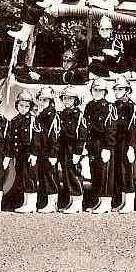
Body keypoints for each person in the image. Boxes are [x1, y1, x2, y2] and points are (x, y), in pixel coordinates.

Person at [83, 77, 118, 215]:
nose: (97, 92)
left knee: (105, 174)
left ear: (105, 92)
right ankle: (97, 202)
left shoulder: (110, 107)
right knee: (95, 173)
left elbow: (112, 128)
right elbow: (86, 126)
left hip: (104, 143)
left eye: (100, 90)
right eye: (95, 90)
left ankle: (106, 203)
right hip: (93, 144)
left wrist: (108, 147)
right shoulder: (89, 106)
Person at [3, 88, 41, 215]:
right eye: (21, 105)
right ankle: (25, 203)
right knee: (22, 178)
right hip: (19, 155)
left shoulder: (33, 119)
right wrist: (9, 155)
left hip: (29, 154)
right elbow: (11, 139)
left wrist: (34, 153)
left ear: (30, 107)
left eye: (26, 106)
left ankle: (31, 204)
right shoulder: (14, 120)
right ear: (17, 106)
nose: (23, 108)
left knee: (30, 178)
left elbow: (36, 138)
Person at [55, 86, 86, 215]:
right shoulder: (61, 114)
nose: (67, 101)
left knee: (74, 174)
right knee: (67, 174)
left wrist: (78, 152)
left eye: (70, 98)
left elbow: (82, 134)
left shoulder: (78, 115)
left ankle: (78, 202)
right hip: (63, 147)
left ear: (75, 100)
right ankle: (71, 201)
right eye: (65, 98)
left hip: (73, 148)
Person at [112, 75, 136, 214]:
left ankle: (129, 202)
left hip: (126, 141)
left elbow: (134, 127)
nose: (117, 91)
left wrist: (131, 146)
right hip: (116, 142)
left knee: (127, 172)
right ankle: (121, 201)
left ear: (127, 90)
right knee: (118, 172)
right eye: (116, 89)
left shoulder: (131, 106)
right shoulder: (115, 105)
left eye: (120, 89)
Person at [35, 86, 60, 214]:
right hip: (42, 151)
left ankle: (52, 203)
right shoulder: (42, 114)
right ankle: (45, 202)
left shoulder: (52, 115)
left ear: (51, 101)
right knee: (44, 176)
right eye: (41, 99)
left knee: (50, 176)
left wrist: (53, 153)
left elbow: (54, 136)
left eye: (46, 100)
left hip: (49, 150)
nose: (43, 102)